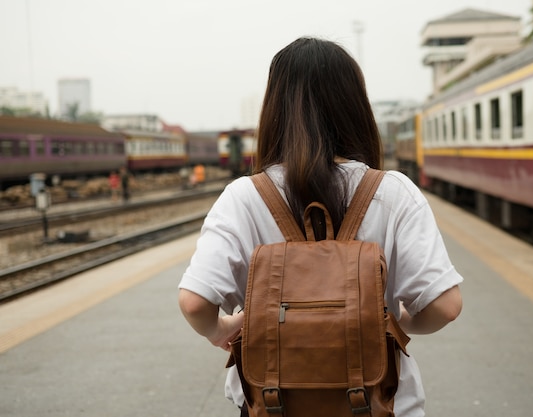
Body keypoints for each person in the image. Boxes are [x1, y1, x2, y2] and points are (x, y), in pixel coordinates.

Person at [178, 37, 463, 417]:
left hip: (272, 404)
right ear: (354, 105)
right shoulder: (394, 193)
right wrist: (398, 321)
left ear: (273, 108)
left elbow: (195, 303)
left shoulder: (243, 197)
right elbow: (445, 306)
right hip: (379, 404)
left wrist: (221, 330)